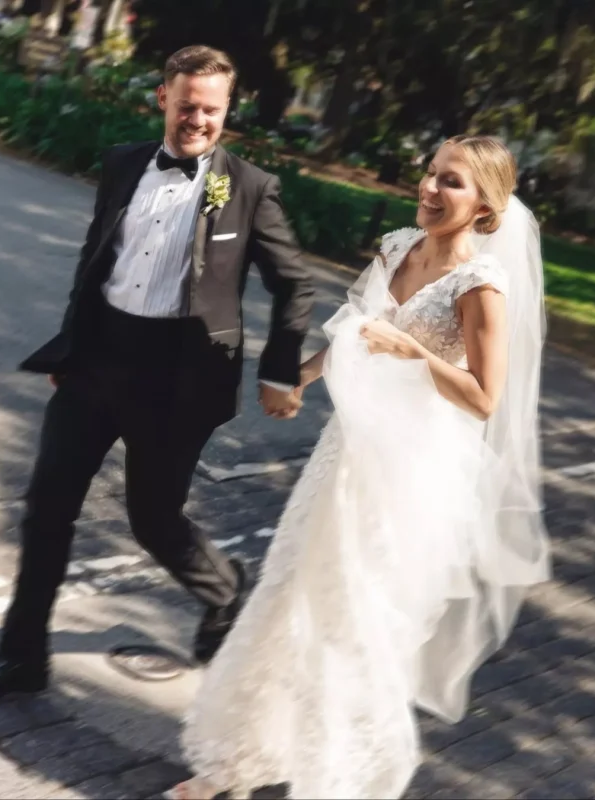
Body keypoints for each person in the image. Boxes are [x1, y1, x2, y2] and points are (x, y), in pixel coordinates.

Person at [165, 135, 550, 800]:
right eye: (430, 173)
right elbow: (357, 327)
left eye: (451, 182)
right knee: (288, 593)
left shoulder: (483, 285)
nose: (430, 188)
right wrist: (302, 379)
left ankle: (337, 783)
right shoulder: (398, 245)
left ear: (486, 205)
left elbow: (485, 398)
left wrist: (415, 353)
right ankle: (232, 761)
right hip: (344, 454)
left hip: (411, 474)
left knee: (355, 624)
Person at [0, 45, 313, 701]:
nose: (197, 121)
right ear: (163, 97)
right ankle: (22, 658)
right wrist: (74, 344)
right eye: (186, 106)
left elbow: (294, 284)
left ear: (226, 111)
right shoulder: (125, 164)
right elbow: (97, 257)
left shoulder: (241, 187)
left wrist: (279, 371)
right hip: (97, 365)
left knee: (153, 520)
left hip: (178, 382)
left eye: (210, 111)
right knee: (47, 509)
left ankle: (225, 588)